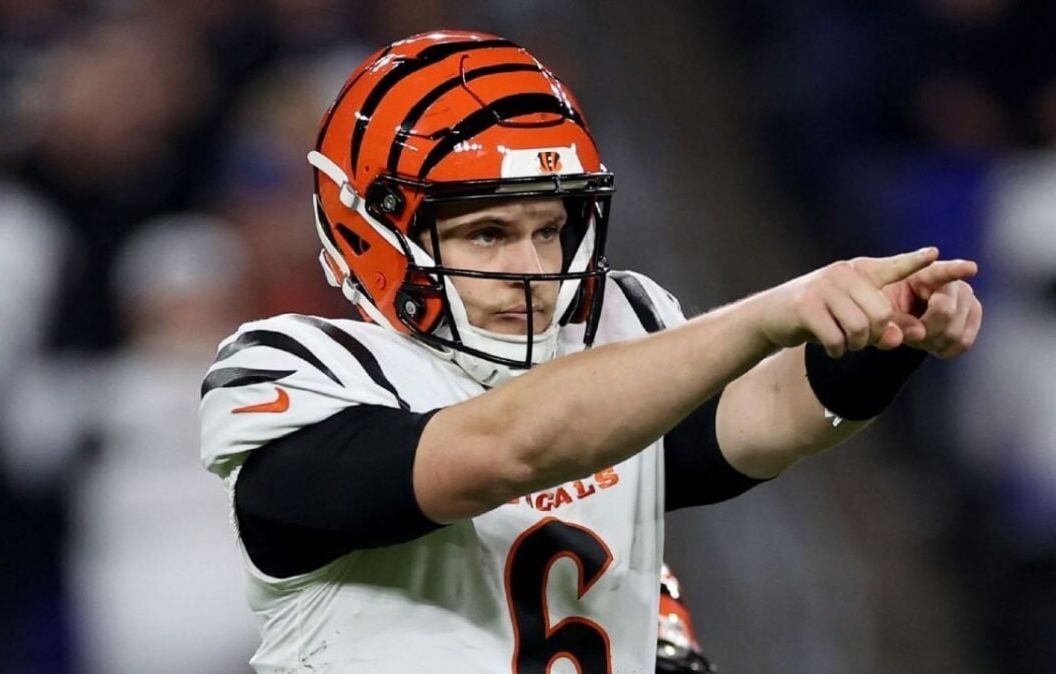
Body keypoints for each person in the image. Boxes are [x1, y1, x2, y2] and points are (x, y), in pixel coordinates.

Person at [200, 30, 983, 673]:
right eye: (487, 233)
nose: (534, 268)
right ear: (374, 232)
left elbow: (759, 420)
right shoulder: (296, 369)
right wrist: (765, 315)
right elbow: (498, 450)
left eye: (549, 229)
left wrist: (882, 338)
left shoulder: (616, 341)